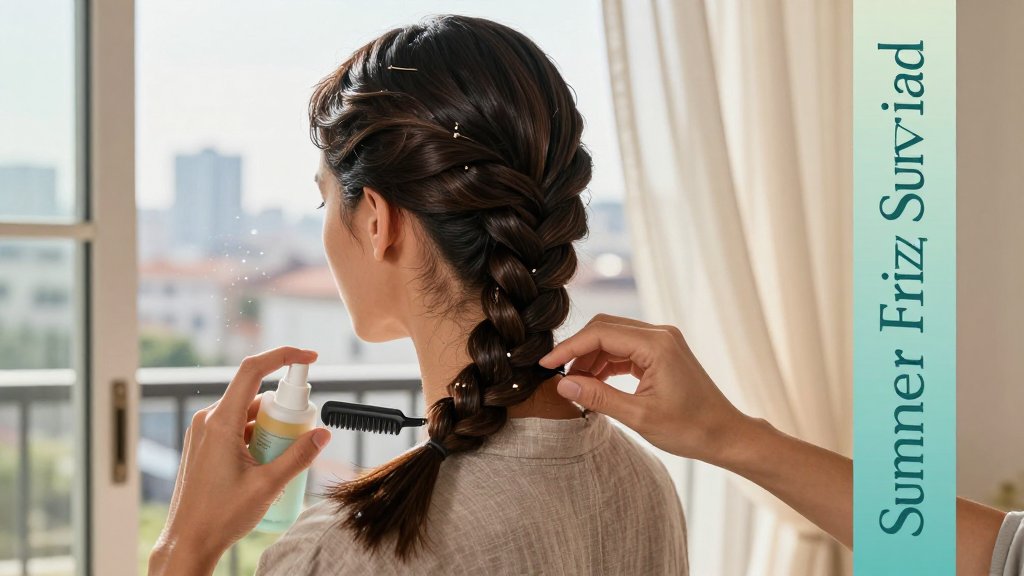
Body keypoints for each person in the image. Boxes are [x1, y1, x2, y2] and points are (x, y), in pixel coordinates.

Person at [149, 15, 689, 576]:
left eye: (325, 202)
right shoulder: (642, 480)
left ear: (377, 221)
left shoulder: (348, 552)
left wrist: (182, 547)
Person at [537, 312, 1024, 576]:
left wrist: (729, 436)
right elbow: (1005, 558)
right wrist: (729, 436)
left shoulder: (636, 480)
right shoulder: (641, 479)